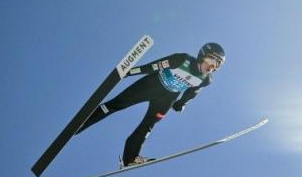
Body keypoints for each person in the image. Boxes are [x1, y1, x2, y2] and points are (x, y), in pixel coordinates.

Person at [75, 42, 225, 167]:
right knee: (117, 104)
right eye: (211, 61)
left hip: (166, 99)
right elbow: (153, 66)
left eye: (217, 65)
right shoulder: (182, 59)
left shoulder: (206, 80)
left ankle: (130, 158)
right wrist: (129, 72)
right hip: (150, 86)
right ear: (202, 55)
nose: (212, 67)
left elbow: (192, 92)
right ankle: (80, 124)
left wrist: (181, 103)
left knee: (148, 126)